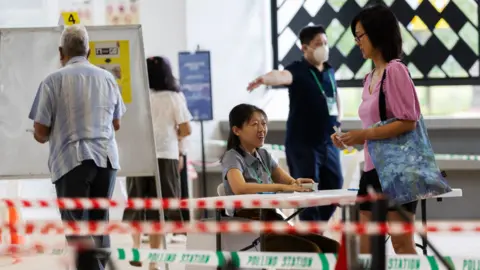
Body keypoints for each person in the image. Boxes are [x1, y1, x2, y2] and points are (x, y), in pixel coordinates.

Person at [28, 25, 126, 270]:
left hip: (72, 162)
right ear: (89, 51)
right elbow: (116, 123)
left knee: (76, 228)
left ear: (61, 52)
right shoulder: (108, 78)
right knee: (99, 224)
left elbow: (40, 131)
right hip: (106, 161)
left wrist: (49, 133)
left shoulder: (52, 81)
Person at [332, 4, 420, 254]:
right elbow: (374, 126)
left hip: (398, 171)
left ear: (377, 33)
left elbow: (408, 121)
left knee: (401, 244)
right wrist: (350, 138)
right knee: (364, 247)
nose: (357, 42)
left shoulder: (396, 71)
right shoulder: (369, 78)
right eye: (356, 37)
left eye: (360, 35)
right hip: (372, 170)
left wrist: (364, 135)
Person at [247, 25, 343, 222]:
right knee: (308, 189)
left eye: (325, 43)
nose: (323, 47)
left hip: (329, 141)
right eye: (318, 44)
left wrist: (339, 121)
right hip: (303, 144)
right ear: (305, 48)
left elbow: (335, 97)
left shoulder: (329, 70)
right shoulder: (298, 70)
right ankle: (311, 233)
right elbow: (281, 76)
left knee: (335, 185)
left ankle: (318, 227)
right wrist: (265, 79)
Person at [221, 103, 339, 253]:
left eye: (264, 124)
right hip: (251, 227)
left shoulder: (264, 155)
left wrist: (297, 183)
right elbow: (240, 188)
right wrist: (282, 187)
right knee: (312, 251)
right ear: (236, 130)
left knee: (334, 247)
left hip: (273, 220)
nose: (261, 129)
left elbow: (288, 181)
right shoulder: (232, 156)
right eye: (254, 124)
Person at [122, 56, 192, 269]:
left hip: (138, 155)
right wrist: (175, 136)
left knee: (136, 202)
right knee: (158, 208)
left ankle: (135, 249)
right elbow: (186, 129)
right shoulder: (173, 97)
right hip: (165, 155)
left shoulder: (137, 96)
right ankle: (154, 261)